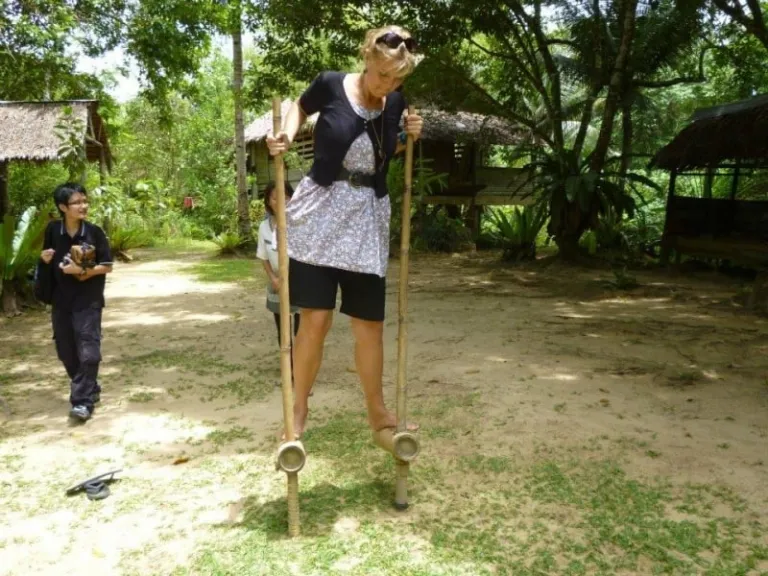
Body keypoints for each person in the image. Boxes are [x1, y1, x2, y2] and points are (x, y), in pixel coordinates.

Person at [266, 25, 423, 438]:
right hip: (319, 218)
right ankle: (298, 409)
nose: (387, 85)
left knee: (369, 325)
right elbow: (299, 107)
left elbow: (384, 149)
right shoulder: (331, 84)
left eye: (396, 79)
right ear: (367, 58)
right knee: (315, 320)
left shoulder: (396, 102)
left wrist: (408, 137)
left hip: (366, 222)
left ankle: (378, 412)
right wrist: (284, 135)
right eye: (382, 75)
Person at [39, 183, 113, 422]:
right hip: (61, 301)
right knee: (66, 352)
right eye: (77, 202)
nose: (83, 206)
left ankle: (82, 401)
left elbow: (107, 266)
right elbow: (47, 257)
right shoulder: (53, 230)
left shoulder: (94, 232)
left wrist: (80, 270)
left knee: (89, 352)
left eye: (85, 201)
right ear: (63, 207)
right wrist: (44, 258)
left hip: (88, 300)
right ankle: (90, 387)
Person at [256, 181, 301, 384]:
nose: (280, 201)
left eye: (285, 196)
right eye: (275, 198)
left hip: (300, 281)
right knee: (282, 328)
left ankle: (300, 369)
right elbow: (263, 256)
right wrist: (273, 278)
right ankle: (287, 366)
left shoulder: (300, 222)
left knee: (301, 329)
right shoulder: (264, 227)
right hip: (277, 282)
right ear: (268, 201)